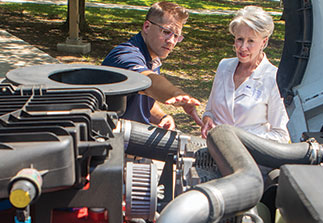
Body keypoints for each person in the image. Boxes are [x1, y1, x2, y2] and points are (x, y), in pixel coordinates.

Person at [102, 1, 201, 130]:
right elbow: (148, 82)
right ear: (147, 27)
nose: (171, 41)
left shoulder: (152, 58)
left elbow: (141, 97)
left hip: (134, 135)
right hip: (112, 140)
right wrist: (175, 93)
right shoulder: (126, 55)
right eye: (166, 32)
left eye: (176, 36)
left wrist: (162, 117)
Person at [200, 6, 289, 143]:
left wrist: (242, 140)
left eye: (251, 41)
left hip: (249, 160)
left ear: (264, 42)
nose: (242, 47)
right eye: (240, 39)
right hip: (215, 151)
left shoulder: (273, 78)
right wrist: (207, 121)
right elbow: (209, 112)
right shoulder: (224, 66)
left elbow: (281, 135)